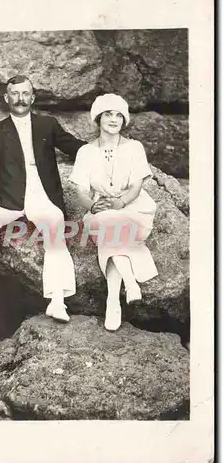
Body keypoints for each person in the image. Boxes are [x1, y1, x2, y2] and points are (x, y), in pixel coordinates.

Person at [0, 74, 86, 323]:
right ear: (7, 98)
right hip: (10, 197)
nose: (21, 99)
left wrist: (108, 151)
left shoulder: (47, 124)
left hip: (43, 196)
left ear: (33, 97)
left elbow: (74, 147)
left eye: (25, 93)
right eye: (15, 94)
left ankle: (57, 302)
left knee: (55, 234)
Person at [69, 93, 158, 331]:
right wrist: (91, 205)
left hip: (134, 208)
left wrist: (121, 202)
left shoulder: (134, 147)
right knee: (108, 223)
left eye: (119, 115)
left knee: (111, 228)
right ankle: (129, 285)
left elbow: (138, 185)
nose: (114, 119)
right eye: (108, 114)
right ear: (98, 118)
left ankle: (112, 301)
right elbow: (80, 190)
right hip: (102, 210)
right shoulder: (86, 152)